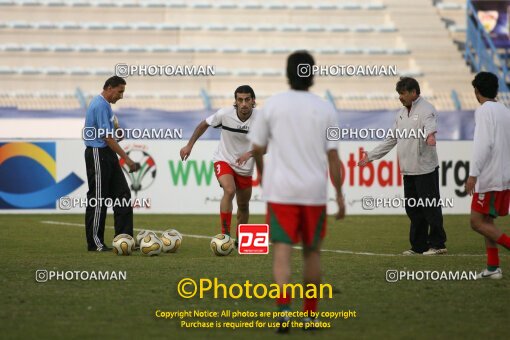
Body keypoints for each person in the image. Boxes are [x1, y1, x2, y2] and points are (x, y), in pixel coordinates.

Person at [248, 51, 345, 333]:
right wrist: (339, 195)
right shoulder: (326, 108)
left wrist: (264, 176)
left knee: (282, 253)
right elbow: (333, 157)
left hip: (281, 192)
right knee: (312, 254)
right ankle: (311, 316)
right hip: (314, 193)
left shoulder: (272, 106)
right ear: (312, 73)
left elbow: (256, 148)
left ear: (288, 73)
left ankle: (283, 314)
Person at [358, 77, 447, 255]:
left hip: (425, 169)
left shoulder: (426, 109)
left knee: (430, 207)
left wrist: (431, 135)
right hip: (408, 170)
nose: (400, 97)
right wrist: (371, 156)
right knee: (413, 210)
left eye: (403, 93)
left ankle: (438, 244)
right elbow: (391, 139)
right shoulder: (400, 114)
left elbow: (431, 125)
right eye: (399, 94)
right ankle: (419, 246)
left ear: (414, 92)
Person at [180, 85, 257, 239]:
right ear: (235, 101)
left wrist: (249, 154)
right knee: (229, 190)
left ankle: (241, 240)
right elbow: (204, 124)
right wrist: (189, 145)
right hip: (224, 159)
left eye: (247, 100)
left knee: (243, 205)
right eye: (240, 100)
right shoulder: (225, 113)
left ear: (253, 101)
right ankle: (225, 236)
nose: (243, 104)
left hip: (245, 167)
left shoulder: (262, 119)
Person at [83, 76, 140, 252]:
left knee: (122, 194)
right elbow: (106, 138)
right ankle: (96, 243)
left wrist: (117, 128)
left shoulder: (105, 105)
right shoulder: (100, 105)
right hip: (97, 153)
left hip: (106, 154)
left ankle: (124, 240)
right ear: (109, 88)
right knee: (98, 198)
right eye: (120, 91)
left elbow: (112, 121)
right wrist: (127, 159)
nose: (121, 96)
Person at [465, 71, 510, 279]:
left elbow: (483, 144)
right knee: (487, 222)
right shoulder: (505, 110)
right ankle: (493, 268)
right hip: (503, 177)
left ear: (476, 91)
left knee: (476, 222)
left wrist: (473, 174)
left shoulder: (484, 111)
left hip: (490, 177)